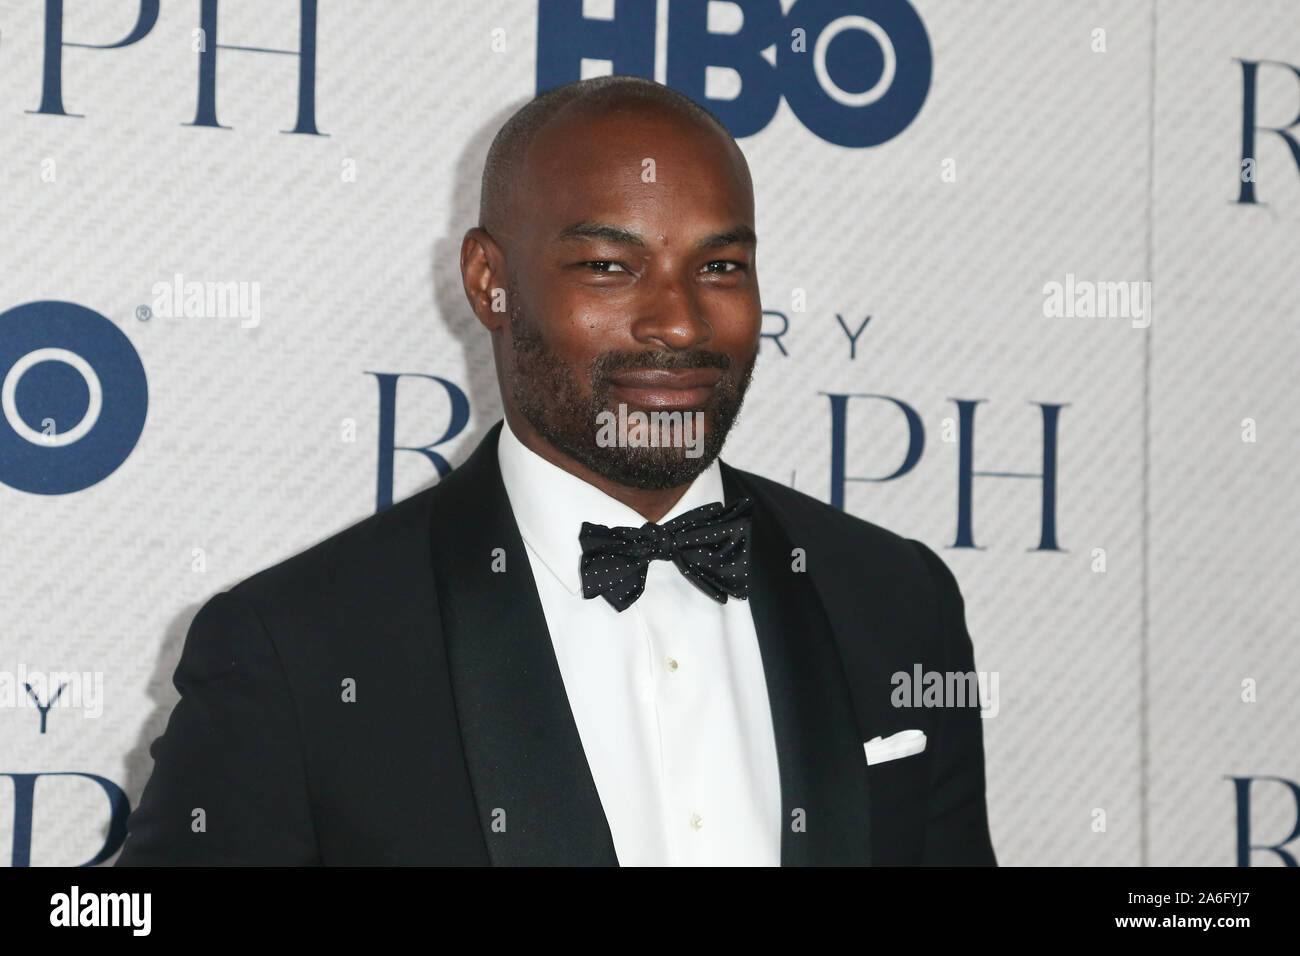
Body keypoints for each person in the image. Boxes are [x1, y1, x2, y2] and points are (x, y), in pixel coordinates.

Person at [115, 75, 996, 866]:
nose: (680, 323)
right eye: (610, 267)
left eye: (720, 266)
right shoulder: (298, 651)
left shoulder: (895, 600)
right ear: (490, 281)